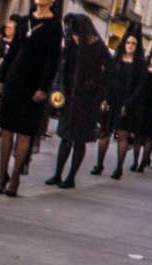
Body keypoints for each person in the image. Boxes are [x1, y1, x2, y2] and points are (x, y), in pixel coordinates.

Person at [0, 0, 65, 197]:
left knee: (24, 132)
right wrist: (0, 80)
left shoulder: (54, 27)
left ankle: (14, 179)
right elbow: (13, 52)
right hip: (15, 79)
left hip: (34, 85)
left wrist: (44, 88)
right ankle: (0, 175)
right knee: (6, 129)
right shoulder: (23, 21)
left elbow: (53, 61)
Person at [44, 14, 109, 189]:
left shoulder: (98, 48)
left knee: (79, 140)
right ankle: (57, 174)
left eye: (76, 34)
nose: (74, 38)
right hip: (69, 99)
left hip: (88, 102)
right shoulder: (71, 46)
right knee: (65, 138)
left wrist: (96, 86)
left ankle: (71, 177)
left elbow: (109, 73)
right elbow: (63, 68)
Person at [93, 30, 141, 178]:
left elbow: (139, 87)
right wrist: (105, 99)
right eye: (128, 42)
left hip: (127, 102)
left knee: (122, 135)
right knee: (104, 132)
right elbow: (107, 79)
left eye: (133, 43)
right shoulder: (115, 60)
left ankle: (119, 168)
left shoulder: (139, 65)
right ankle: (99, 164)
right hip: (111, 99)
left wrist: (128, 104)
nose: (130, 46)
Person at [127, 46, 152, 173]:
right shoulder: (144, 72)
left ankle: (143, 163)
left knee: (149, 138)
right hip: (141, 107)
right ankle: (135, 161)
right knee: (137, 136)